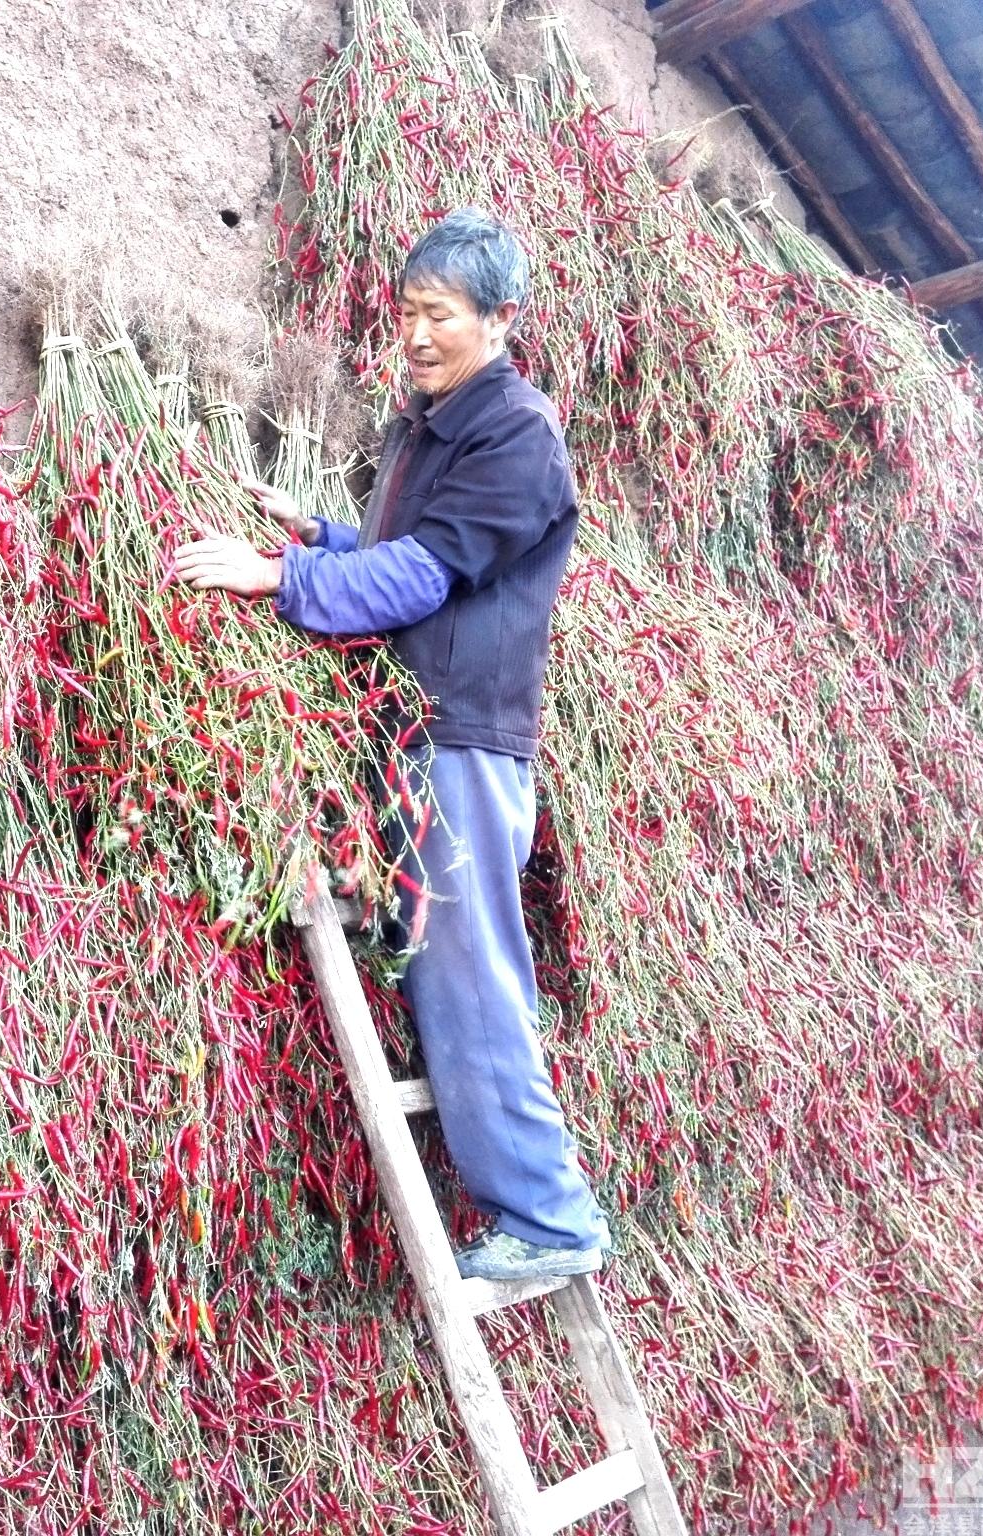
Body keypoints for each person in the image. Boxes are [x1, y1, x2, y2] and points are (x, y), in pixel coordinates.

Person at [169, 208, 613, 1282]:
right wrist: (319, 534)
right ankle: (533, 1207)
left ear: (500, 321)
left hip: (462, 737)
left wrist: (283, 579)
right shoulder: (428, 419)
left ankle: (550, 1223)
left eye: (439, 317)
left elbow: (425, 577)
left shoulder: (514, 437)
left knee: (469, 973)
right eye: (405, 313)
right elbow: (401, 554)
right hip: (415, 723)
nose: (413, 335)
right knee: (435, 960)